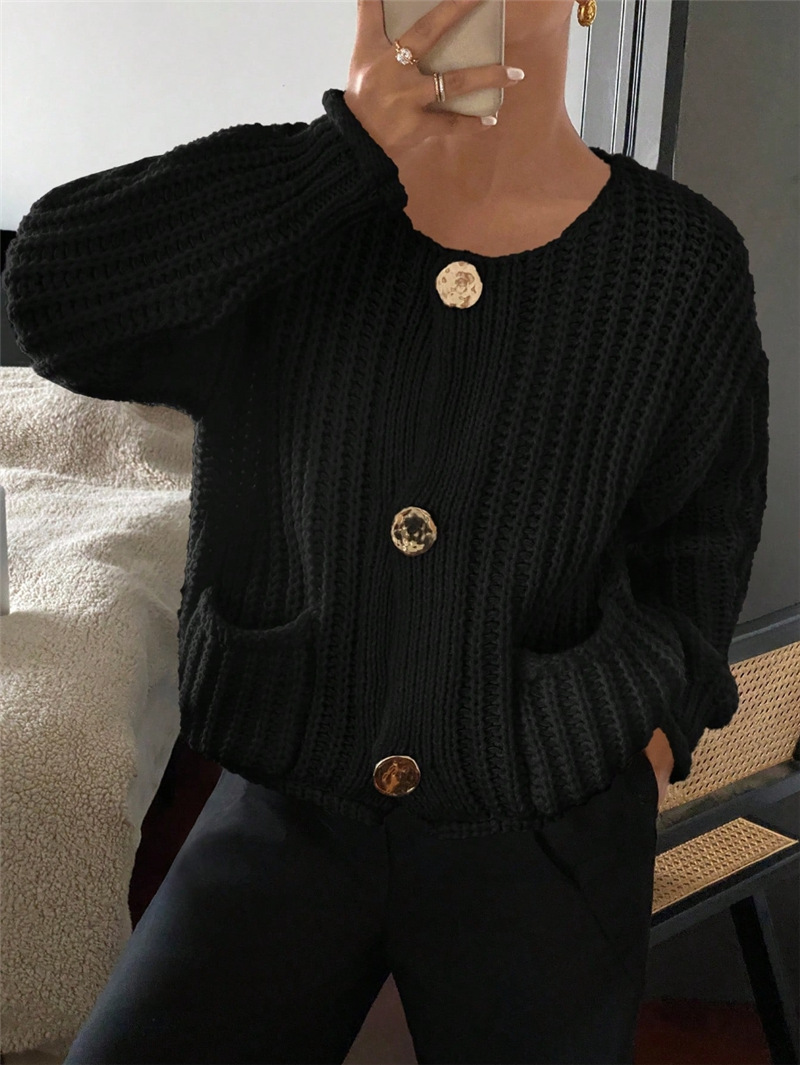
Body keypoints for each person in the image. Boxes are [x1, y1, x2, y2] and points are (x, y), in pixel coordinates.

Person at [2, 0, 769, 1062]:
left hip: (548, 803)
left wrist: (652, 743)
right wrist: (337, 156)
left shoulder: (678, 261)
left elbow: (701, 537)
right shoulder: (288, 212)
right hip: (288, 791)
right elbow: (51, 303)